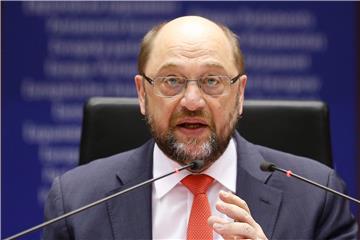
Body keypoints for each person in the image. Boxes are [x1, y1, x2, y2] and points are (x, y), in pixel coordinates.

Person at [43, 16, 358, 239]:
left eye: (212, 81)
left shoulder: (317, 196)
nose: (192, 101)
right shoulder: (76, 202)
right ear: (142, 94)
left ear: (239, 94)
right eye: (172, 81)